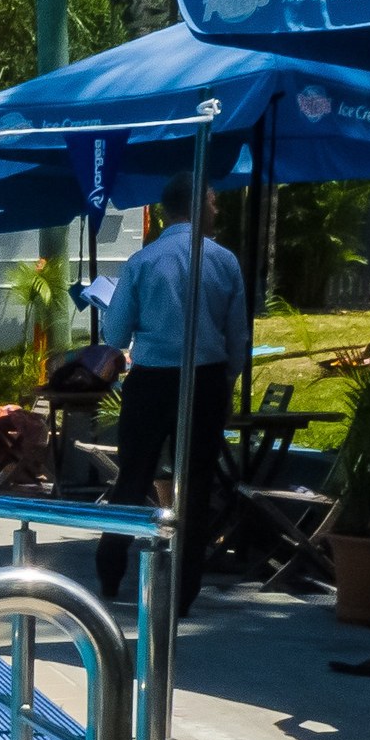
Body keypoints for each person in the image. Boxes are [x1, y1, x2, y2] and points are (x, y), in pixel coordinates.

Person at [94, 172, 249, 615]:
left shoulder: (143, 261)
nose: (218, 211)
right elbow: (237, 336)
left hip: (153, 379)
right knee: (196, 484)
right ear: (200, 207)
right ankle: (184, 590)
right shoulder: (225, 261)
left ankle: (110, 571)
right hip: (205, 379)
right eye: (214, 203)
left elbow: (115, 330)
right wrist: (228, 382)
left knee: (133, 477)